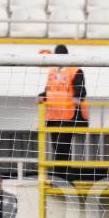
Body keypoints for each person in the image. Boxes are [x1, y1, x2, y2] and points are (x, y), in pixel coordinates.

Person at [38, 45, 88, 182]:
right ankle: (60, 175)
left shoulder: (75, 71)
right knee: (57, 146)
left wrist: (76, 98)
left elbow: (81, 92)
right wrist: (41, 96)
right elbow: (49, 91)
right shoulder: (52, 73)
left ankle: (62, 176)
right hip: (54, 115)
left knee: (63, 146)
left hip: (68, 115)